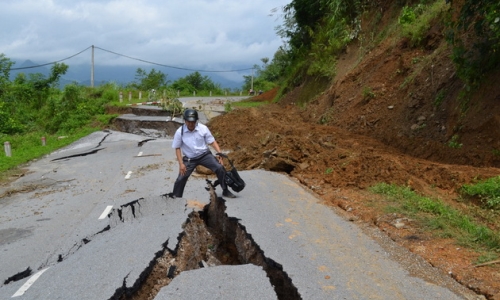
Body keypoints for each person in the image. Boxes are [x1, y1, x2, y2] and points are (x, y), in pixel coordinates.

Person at [170, 109, 236, 198]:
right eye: (188, 121)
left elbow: (212, 142)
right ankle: (176, 197)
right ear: (185, 121)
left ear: (196, 121)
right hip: (190, 159)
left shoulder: (203, 128)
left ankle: (225, 190)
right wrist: (181, 164)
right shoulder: (180, 132)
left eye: (193, 122)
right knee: (181, 177)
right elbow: (177, 148)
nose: (190, 124)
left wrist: (220, 154)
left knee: (220, 168)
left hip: (204, 155)